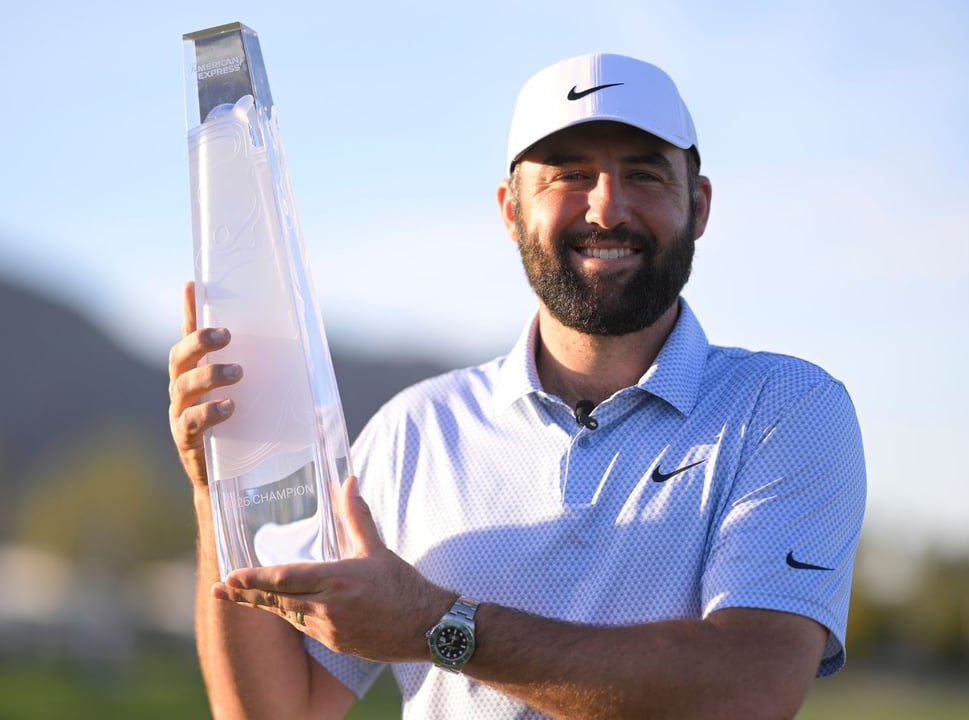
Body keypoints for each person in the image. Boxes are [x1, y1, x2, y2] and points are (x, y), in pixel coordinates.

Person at [168, 52, 866, 720]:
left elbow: (746, 690)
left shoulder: (783, 408)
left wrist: (436, 625)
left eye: (646, 175)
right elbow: (276, 712)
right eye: (569, 174)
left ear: (700, 205)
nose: (607, 209)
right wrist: (217, 483)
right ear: (509, 209)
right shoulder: (416, 431)